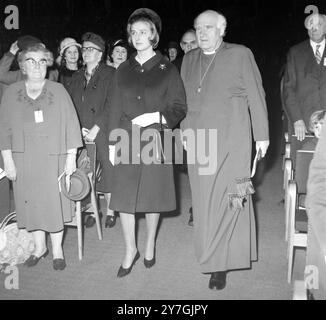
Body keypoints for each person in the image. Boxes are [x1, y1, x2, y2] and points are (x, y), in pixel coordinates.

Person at [180, 10, 269, 290]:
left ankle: (226, 259)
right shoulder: (189, 58)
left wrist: (262, 137)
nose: (202, 33)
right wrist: (183, 130)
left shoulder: (241, 54)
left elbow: (257, 95)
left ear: (222, 29)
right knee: (206, 203)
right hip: (200, 143)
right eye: (198, 28)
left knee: (236, 197)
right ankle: (216, 260)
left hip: (235, 141)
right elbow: (182, 100)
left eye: (208, 27)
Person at [107, 8, 187, 277]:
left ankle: (150, 242)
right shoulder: (123, 69)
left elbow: (179, 106)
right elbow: (115, 106)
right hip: (126, 137)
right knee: (124, 198)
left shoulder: (168, 68)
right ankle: (130, 250)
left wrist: (157, 116)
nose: (138, 36)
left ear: (154, 36)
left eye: (144, 32)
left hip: (156, 137)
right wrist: (111, 141)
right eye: (133, 33)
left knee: (153, 196)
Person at [0, 44, 83, 270]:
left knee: (52, 205)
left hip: (53, 159)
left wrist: (70, 158)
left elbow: (72, 125)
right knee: (31, 206)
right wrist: (7, 160)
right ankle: (39, 248)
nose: (37, 66)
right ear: (22, 66)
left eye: (42, 61)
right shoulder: (10, 93)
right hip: (23, 159)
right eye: (31, 61)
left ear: (47, 65)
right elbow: (4, 129)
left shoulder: (58, 90)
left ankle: (56, 250)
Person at [67, 32, 116, 228]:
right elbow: (70, 104)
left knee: (107, 169)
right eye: (84, 49)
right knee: (86, 170)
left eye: (90, 49)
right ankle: (92, 210)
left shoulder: (111, 74)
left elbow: (113, 103)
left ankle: (111, 210)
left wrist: (97, 126)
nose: (86, 52)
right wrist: (76, 127)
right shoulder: (77, 76)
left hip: (102, 129)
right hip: (81, 130)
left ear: (100, 53)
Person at [283, 13, 326, 142]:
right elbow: (288, 89)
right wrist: (297, 119)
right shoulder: (295, 53)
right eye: (311, 25)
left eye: (319, 24)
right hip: (304, 125)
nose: (314, 28)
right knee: (304, 160)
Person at [305, 109, 326, 299]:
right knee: (314, 249)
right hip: (315, 200)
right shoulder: (311, 147)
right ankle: (312, 287)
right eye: (317, 126)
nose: (320, 130)